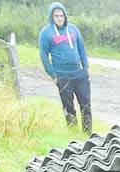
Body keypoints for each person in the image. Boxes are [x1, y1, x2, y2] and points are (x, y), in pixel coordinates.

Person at [39, 2, 92, 134]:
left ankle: (88, 135)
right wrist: (53, 76)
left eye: (61, 16)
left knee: (86, 105)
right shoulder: (46, 33)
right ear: (52, 17)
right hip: (62, 76)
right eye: (56, 16)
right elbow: (43, 56)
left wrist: (86, 68)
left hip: (79, 74)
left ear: (65, 16)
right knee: (69, 108)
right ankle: (73, 137)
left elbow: (82, 49)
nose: (59, 18)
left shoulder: (73, 29)